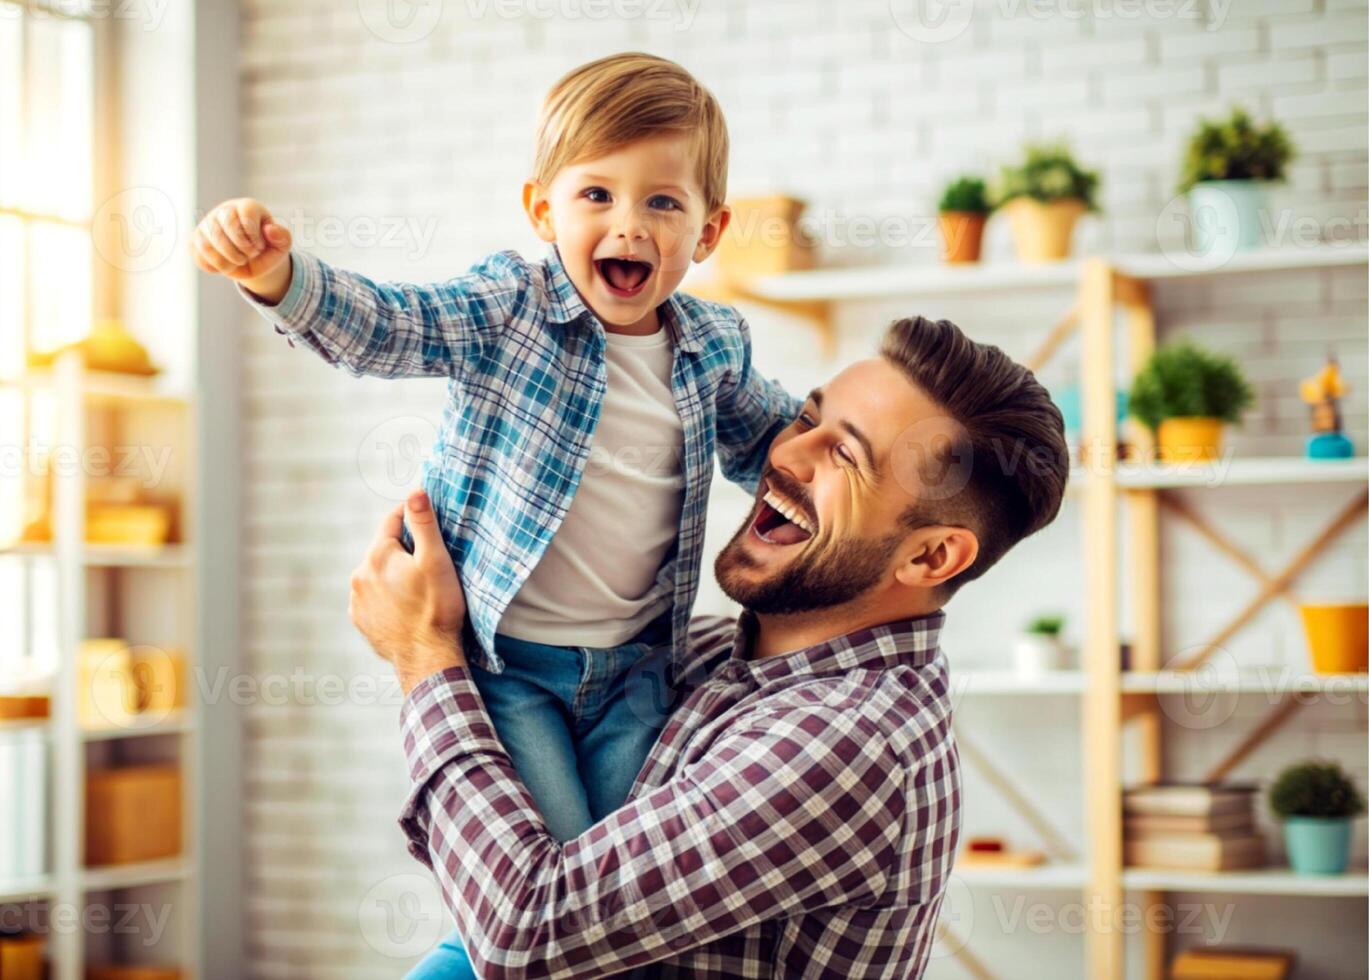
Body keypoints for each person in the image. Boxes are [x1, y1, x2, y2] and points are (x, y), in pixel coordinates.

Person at [189, 52, 801, 971]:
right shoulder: (510, 306)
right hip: (510, 670)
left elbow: (777, 448)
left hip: (637, 671)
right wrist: (280, 276)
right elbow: (390, 327)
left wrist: (884, 463)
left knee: (599, 914)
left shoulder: (715, 344)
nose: (627, 224)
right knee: (545, 910)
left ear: (708, 231)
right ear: (542, 210)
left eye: (662, 204)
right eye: (596, 195)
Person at [350, 316, 1070, 978]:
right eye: (807, 418)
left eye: (844, 456)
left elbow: (524, 934)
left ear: (931, 558)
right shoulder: (700, 655)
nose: (787, 454)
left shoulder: (847, 739)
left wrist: (422, 654)